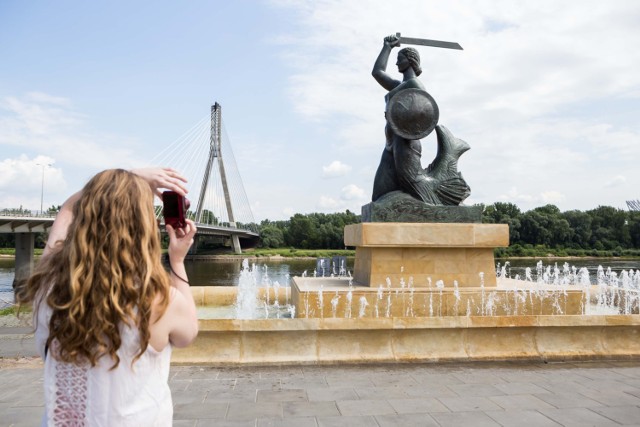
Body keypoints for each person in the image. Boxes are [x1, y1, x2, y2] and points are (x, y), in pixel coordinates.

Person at [15, 167, 199, 426]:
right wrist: (177, 261)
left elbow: (68, 209)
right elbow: (188, 334)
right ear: (143, 227)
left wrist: (124, 177)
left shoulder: (47, 287)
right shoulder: (160, 300)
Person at [371, 34, 470, 205]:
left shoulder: (415, 85)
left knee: (415, 185)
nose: (396, 63)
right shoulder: (399, 86)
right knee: (379, 196)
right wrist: (387, 47)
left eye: (399, 59)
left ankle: (446, 188)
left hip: (405, 144)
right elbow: (377, 72)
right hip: (391, 143)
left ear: (410, 61)